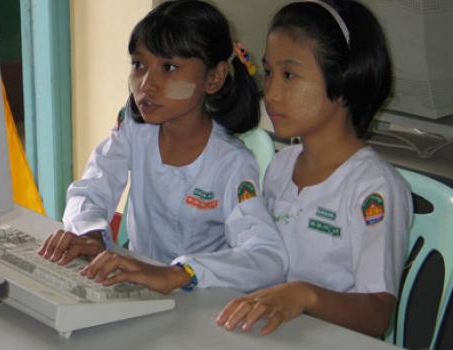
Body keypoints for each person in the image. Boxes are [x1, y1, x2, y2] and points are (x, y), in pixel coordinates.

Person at [38, 0, 287, 294]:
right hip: (134, 288)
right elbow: (92, 187)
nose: (146, 84)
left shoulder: (231, 162)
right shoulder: (134, 129)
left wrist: (180, 274)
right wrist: (90, 235)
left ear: (213, 77)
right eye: (138, 64)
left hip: (198, 300)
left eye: (168, 67)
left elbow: (267, 258)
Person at [216, 0, 412, 337]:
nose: (272, 93)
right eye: (270, 72)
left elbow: (377, 315)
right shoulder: (280, 165)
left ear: (344, 80)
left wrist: (305, 296)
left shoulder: (372, 187)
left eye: (289, 75)